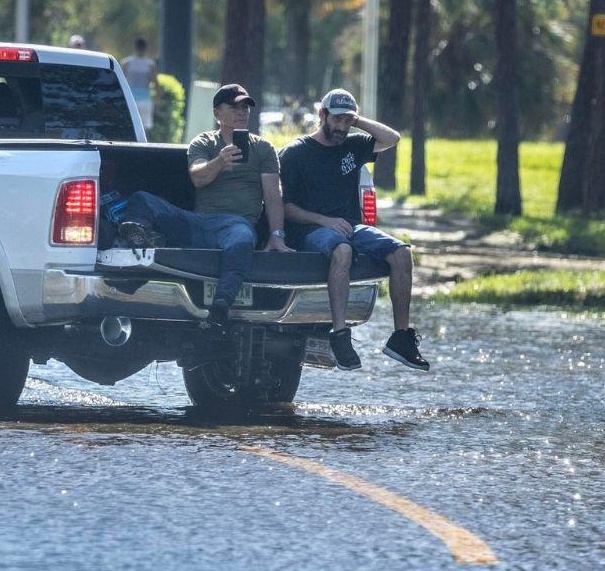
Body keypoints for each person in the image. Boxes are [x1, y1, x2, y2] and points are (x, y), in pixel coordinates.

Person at [279, 88, 428, 373]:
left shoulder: (353, 145)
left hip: (351, 227)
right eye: (337, 120)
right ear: (322, 115)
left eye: (348, 121)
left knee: (402, 253)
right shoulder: (296, 153)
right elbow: (285, 208)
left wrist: (357, 120)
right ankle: (340, 335)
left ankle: (401, 338)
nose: (342, 127)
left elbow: (392, 139)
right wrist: (323, 220)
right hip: (311, 230)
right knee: (342, 249)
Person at [119, 84, 291, 328]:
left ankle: (222, 303)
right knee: (142, 199)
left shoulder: (263, 148)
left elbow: (273, 195)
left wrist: (276, 235)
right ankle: (138, 240)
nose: (242, 112)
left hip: (235, 225)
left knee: (243, 239)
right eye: (234, 107)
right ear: (217, 113)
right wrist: (220, 161)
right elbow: (197, 176)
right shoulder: (204, 142)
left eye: (245, 107)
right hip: (197, 223)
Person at [121, 37, 158, 131]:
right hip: (145, 100)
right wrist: (156, 102)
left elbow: (121, 82)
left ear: (135, 47)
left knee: (130, 128)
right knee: (145, 130)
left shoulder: (126, 63)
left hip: (130, 101)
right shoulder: (151, 65)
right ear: (145, 49)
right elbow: (156, 85)